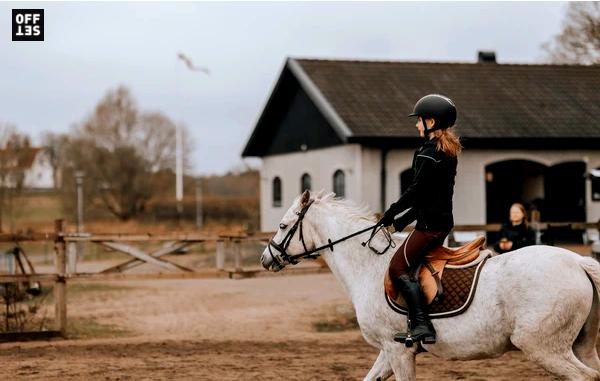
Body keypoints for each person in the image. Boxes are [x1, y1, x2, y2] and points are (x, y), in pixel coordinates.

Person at [378, 94, 462, 344]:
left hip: (430, 226)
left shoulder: (428, 152)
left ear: (432, 122)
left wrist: (390, 213)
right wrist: (402, 222)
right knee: (416, 265)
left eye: (420, 121)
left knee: (397, 268)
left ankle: (422, 325)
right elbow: (430, 196)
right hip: (440, 221)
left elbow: (416, 192)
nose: (416, 125)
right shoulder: (445, 151)